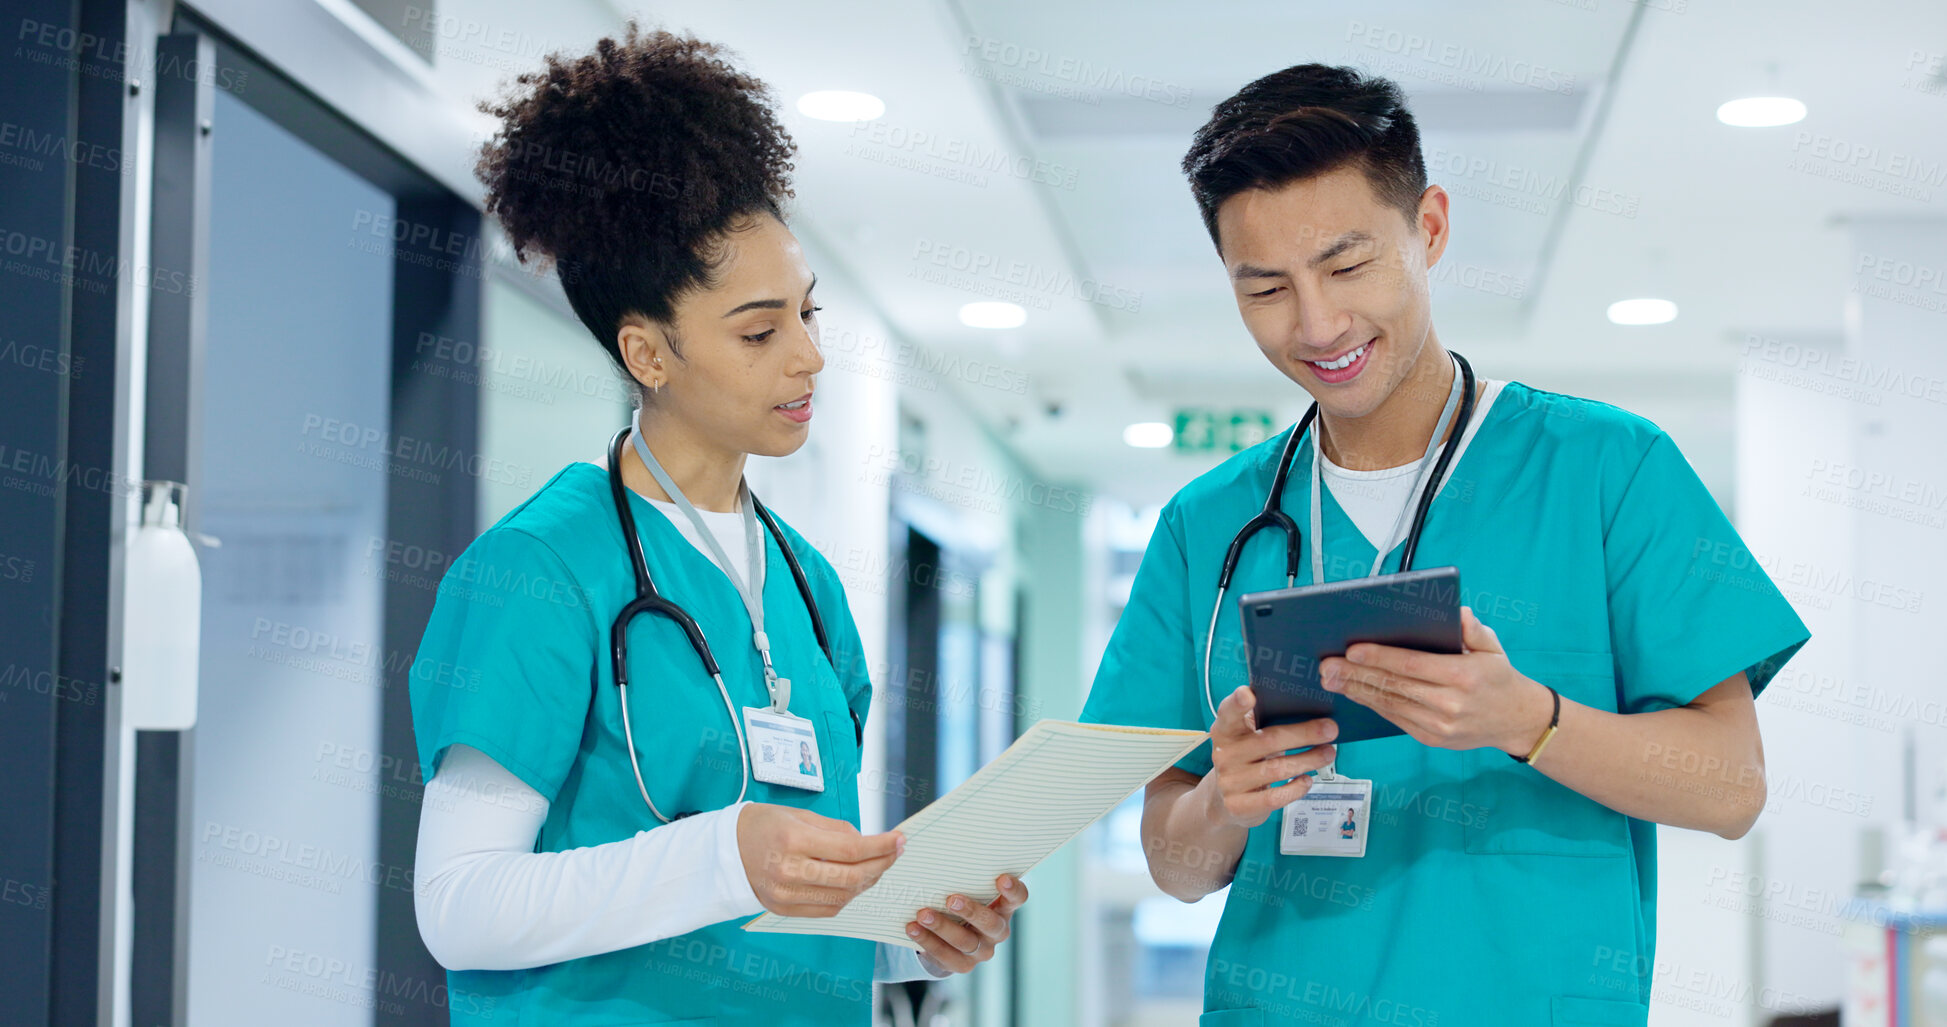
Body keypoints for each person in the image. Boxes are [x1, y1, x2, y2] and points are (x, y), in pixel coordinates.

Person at [1080, 64, 1808, 1025]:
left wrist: (1530, 719)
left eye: (1346, 267)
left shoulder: (1606, 470)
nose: (1316, 324)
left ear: (1427, 228)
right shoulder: (1205, 524)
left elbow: (1731, 786)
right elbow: (1173, 865)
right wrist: (1223, 799)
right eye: (1265, 287)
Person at [407, 26, 1025, 1025]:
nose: (809, 358)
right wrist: (722, 854)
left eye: (809, 316)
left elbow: (770, 930)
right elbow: (459, 906)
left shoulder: (808, 585)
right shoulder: (540, 568)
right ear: (648, 353)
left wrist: (905, 927)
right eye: (759, 330)